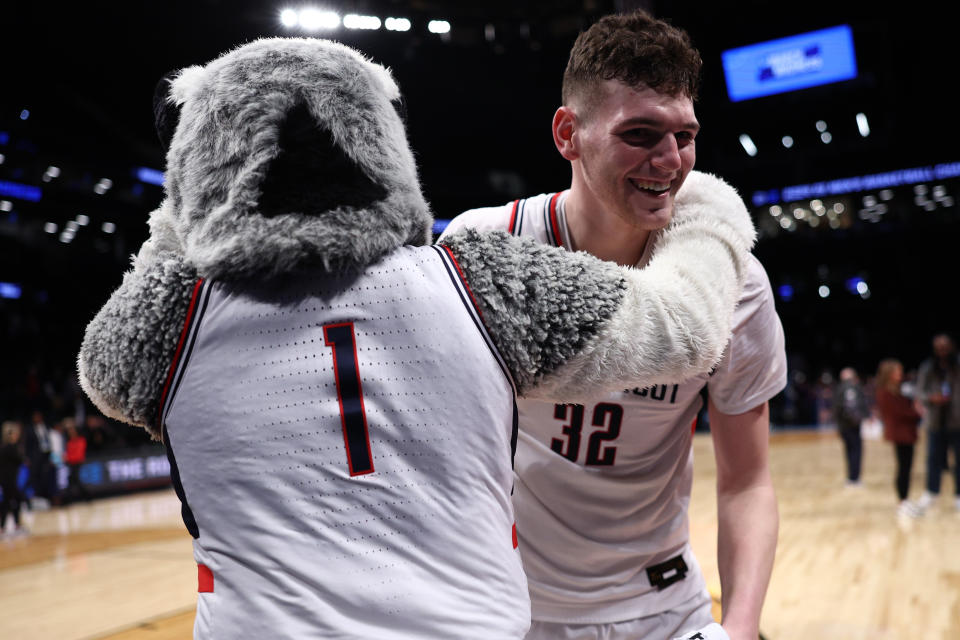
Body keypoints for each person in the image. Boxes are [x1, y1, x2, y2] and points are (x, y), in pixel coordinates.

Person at [77, 38, 755, 639]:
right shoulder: (478, 276)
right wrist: (711, 205)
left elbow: (103, 361)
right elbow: (685, 324)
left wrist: (187, 209)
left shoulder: (167, 325)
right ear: (381, 139)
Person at [441, 10, 786, 640]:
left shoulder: (733, 282)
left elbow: (747, 482)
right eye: (640, 134)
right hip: (509, 606)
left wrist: (738, 630)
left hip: (662, 607)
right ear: (568, 134)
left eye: (684, 136)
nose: (669, 160)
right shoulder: (485, 248)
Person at [915, 333, 960, 513]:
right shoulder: (928, 367)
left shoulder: (957, 366)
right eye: (939, 348)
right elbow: (920, 393)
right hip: (935, 422)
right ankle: (931, 493)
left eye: (945, 347)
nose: (942, 351)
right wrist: (931, 398)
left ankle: (958, 495)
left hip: (957, 422)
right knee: (933, 459)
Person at [874, 359, 922, 518]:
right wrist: (916, 412)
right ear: (889, 373)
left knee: (906, 468)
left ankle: (905, 500)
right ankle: (902, 502)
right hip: (900, 434)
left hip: (906, 433)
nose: (900, 374)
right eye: (897, 371)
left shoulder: (896, 390)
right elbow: (900, 413)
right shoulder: (886, 392)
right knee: (903, 468)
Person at [833, 367, 868, 486]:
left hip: (843, 425)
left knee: (848, 451)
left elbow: (836, 408)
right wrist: (858, 419)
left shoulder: (839, 388)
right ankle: (854, 478)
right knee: (855, 451)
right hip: (852, 425)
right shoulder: (851, 388)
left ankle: (850, 477)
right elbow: (851, 406)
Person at [0, 420, 27, 535]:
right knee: (15, 500)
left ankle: (5, 527)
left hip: (6, 479)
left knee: (9, 502)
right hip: (9, 480)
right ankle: (14, 526)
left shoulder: (3, 447)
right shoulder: (11, 448)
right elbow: (21, 460)